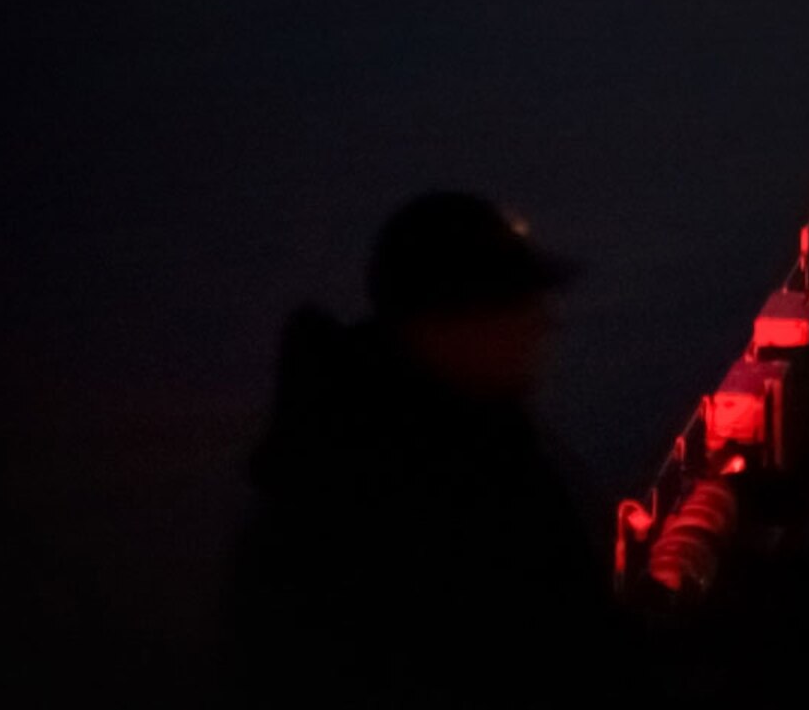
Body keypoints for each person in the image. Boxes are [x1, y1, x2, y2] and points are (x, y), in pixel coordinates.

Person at [227, 192, 631, 706]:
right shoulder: (421, 503)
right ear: (450, 319)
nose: (545, 321)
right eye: (519, 300)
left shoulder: (459, 447)